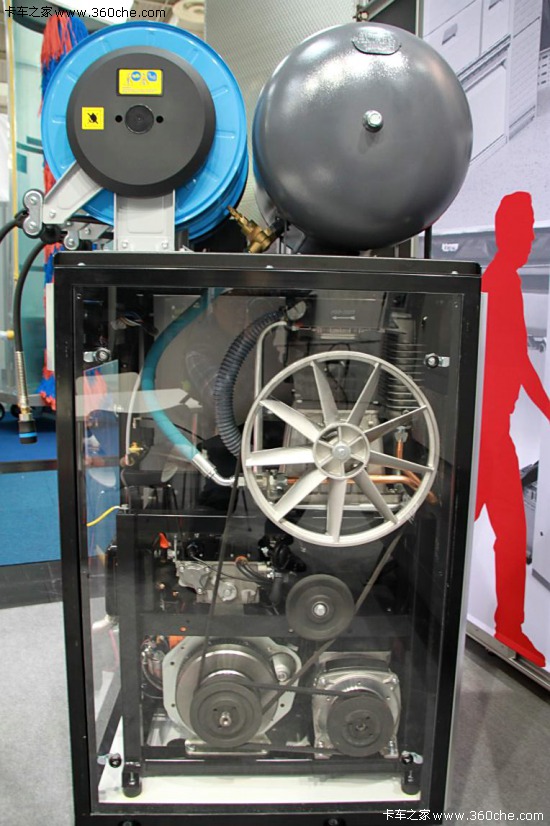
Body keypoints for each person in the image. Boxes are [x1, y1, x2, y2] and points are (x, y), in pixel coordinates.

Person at [475, 191, 550, 668]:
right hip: (486, 433)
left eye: (530, 232)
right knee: (501, 529)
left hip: (492, 432)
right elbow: (515, 360)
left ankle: (509, 625)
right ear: (505, 233)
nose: (527, 241)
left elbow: (518, 358)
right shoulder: (498, 282)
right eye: (521, 231)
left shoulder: (506, 281)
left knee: (505, 529)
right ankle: (509, 625)